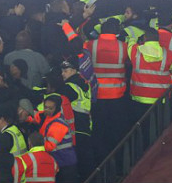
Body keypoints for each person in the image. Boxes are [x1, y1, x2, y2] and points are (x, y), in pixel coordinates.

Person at [83, 18, 129, 163]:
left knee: (98, 130)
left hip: (97, 96)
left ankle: (100, 162)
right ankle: (119, 163)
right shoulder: (124, 46)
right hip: (117, 96)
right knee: (116, 130)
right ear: (117, 32)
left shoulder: (90, 45)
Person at [28, 95, 78, 183]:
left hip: (64, 164)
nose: (47, 110)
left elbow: (49, 147)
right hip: (59, 162)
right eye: (45, 107)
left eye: (50, 108)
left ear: (57, 108)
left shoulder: (58, 125)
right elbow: (37, 118)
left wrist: (35, 144)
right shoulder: (48, 117)